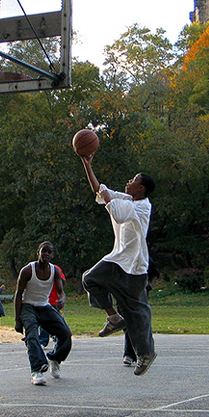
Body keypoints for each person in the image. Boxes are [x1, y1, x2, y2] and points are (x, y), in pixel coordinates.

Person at [79, 152, 157, 376]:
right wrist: (87, 165)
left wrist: (107, 197)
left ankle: (145, 354)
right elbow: (99, 190)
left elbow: (119, 213)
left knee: (136, 314)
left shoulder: (142, 207)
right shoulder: (127, 199)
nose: (129, 181)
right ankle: (113, 317)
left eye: (133, 180)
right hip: (117, 259)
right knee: (89, 279)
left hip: (134, 266)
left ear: (141, 188)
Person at [14, 241, 72, 386]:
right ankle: (37, 370)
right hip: (28, 306)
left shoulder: (55, 271)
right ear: (38, 253)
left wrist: (61, 299)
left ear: (52, 255)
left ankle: (55, 358)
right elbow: (18, 294)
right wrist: (17, 319)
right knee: (32, 336)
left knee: (65, 333)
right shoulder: (27, 270)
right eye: (43, 251)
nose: (46, 254)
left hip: (45, 306)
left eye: (49, 252)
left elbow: (61, 292)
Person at [122, 264, 160, 366]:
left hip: (140, 294)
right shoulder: (120, 256)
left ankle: (141, 353)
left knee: (139, 323)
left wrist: (150, 284)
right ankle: (131, 354)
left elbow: (155, 273)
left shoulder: (142, 255)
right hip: (124, 293)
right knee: (127, 323)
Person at [39, 263, 66, 348]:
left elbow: (63, 282)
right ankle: (43, 341)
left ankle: (60, 338)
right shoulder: (38, 269)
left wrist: (56, 275)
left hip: (55, 300)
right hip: (44, 300)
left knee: (58, 321)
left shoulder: (56, 269)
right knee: (44, 321)